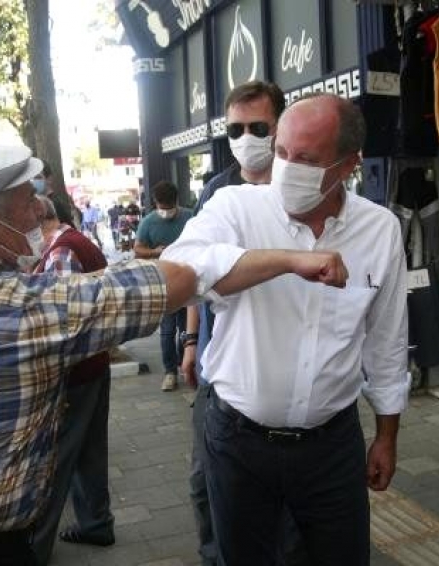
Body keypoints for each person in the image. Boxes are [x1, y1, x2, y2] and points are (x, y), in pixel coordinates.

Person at [0, 143, 346, 565]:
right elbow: (182, 278)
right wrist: (293, 258)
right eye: (27, 203)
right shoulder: (39, 312)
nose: (41, 211)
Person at [163, 94, 409, 565]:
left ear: (349, 165)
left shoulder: (380, 230)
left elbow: (387, 341)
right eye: (281, 153)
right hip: (238, 441)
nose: (288, 169)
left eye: (307, 159)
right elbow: (180, 270)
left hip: (332, 445)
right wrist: (288, 261)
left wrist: (387, 435)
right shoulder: (236, 207)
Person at [179, 80, 298, 566]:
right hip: (218, 365)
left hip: (282, 368)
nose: (245, 137)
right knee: (205, 486)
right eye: (234, 128)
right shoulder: (217, 189)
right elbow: (193, 269)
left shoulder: (300, 187)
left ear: (279, 127)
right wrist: (190, 341)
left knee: (286, 509)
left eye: (257, 127)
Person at [30, 195, 114, 565]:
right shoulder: (78, 241)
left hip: (74, 370)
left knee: (58, 458)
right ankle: (96, 522)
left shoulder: (62, 251)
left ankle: (38, 545)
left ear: (38, 220)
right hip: (93, 363)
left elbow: (58, 319)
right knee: (90, 450)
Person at [134, 181, 193, 392]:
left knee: (187, 329)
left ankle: (184, 363)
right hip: (162, 284)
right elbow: (138, 249)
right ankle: (170, 372)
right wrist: (156, 251)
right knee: (167, 331)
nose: (166, 211)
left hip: (190, 283)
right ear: (155, 203)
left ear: (176, 201)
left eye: (170, 206)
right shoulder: (148, 222)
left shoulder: (190, 217)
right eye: (162, 206)